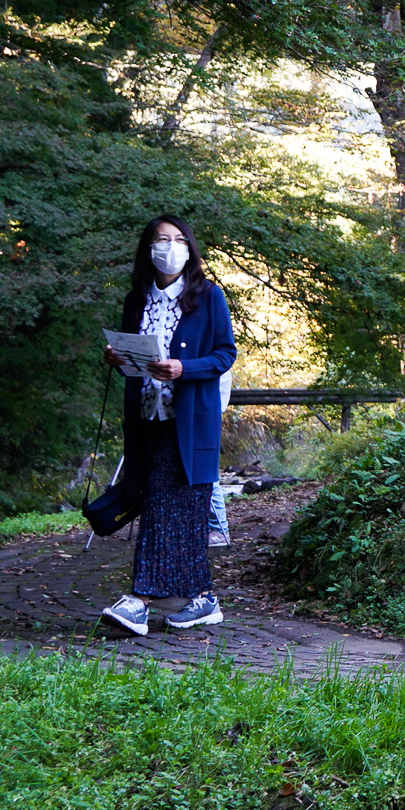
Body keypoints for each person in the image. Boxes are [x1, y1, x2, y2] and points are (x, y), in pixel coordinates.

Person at [98, 216, 237, 636]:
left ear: (190, 249)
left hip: (189, 420)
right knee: (181, 511)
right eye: (162, 239)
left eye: (178, 239)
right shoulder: (136, 299)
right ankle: (203, 599)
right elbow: (134, 358)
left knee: (163, 505)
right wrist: (118, 360)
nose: (170, 246)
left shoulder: (208, 296)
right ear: (149, 248)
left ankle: (138, 601)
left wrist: (183, 368)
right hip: (146, 417)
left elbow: (224, 355)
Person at [207, 367, 233, 549]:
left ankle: (219, 528)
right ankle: (216, 528)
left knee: (208, 475)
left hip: (206, 419)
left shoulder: (218, 365)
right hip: (206, 418)